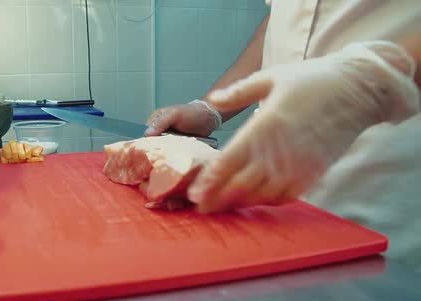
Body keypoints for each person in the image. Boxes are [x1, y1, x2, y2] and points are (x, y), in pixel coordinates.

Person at [145, 1, 421, 262]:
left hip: (387, 167)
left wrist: (372, 82)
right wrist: (211, 108)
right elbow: (280, 21)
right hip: (271, 203)